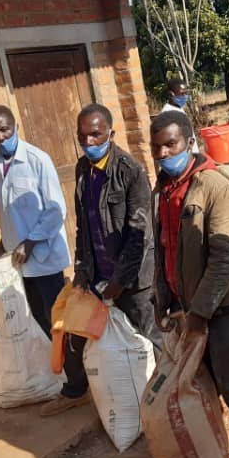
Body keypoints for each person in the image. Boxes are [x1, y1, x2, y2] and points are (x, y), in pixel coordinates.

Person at [149, 110, 229, 458]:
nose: (164, 153)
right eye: (157, 148)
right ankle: (215, 443)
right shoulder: (163, 190)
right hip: (184, 309)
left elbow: (225, 257)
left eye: (171, 144)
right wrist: (162, 297)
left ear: (189, 143)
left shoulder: (213, 187)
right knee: (202, 383)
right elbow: (164, 248)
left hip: (216, 309)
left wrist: (201, 311)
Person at [39, 103, 161, 417]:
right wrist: (81, 268)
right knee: (79, 335)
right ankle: (78, 391)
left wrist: (120, 282)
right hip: (96, 276)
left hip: (133, 281)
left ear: (110, 133)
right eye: (83, 137)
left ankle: (164, 401)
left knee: (149, 339)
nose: (90, 142)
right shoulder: (83, 170)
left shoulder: (130, 171)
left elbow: (139, 233)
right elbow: (84, 224)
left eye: (96, 134)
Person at [0, 104, 70, 338]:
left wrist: (31, 242)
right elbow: (9, 210)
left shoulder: (37, 160)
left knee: (58, 320)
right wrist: (4, 243)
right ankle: (57, 371)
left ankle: (74, 371)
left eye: (4, 130)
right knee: (38, 319)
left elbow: (56, 209)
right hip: (19, 259)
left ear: (15, 126)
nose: (0, 138)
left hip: (44, 255)